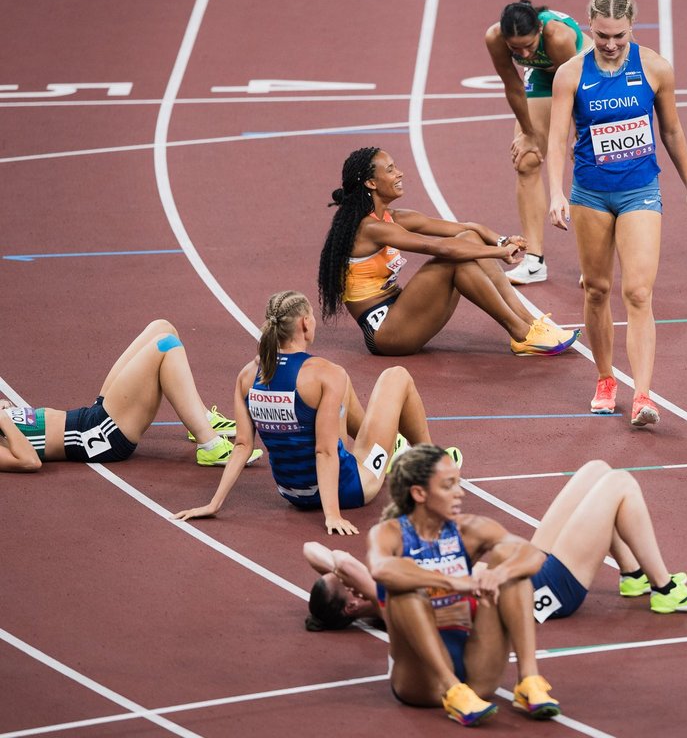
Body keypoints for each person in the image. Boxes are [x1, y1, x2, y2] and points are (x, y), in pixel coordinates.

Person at [303, 459, 687, 632]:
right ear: (352, 606)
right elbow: (341, 560)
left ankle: (633, 575)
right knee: (619, 484)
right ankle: (665, 590)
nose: (352, 578)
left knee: (596, 470)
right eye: (348, 587)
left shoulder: (374, 590)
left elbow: (315, 551)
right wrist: (344, 576)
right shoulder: (386, 605)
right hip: (542, 591)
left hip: (524, 569)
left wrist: (333, 579)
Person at [545, 0, 687, 426]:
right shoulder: (570, 74)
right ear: (589, 27)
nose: (612, 44)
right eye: (602, 36)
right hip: (590, 193)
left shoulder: (654, 67)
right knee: (596, 289)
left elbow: (671, 130)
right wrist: (555, 192)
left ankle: (643, 395)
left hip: (640, 191)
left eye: (619, 35)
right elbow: (556, 139)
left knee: (637, 292)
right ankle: (605, 379)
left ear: (632, 26)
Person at [172, 291, 455, 536]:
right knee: (396, 376)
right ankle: (432, 465)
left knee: (339, 387)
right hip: (350, 489)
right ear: (305, 323)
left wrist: (214, 504)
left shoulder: (248, 375)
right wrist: (332, 515)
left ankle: (388, 446)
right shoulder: (324, 373)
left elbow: (243, 446)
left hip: (294, 494)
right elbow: (325, 451)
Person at [316, 147, 579, 357]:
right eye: (391, 170)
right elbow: (437, 247)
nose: (400, 173)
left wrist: (501, 241)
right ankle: (521, 333)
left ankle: (530, 323)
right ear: (371, 183)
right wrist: (497, 253)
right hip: (386, 333)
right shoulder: (371, 228)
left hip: (400, 310)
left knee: (467, 240)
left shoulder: (393, 216)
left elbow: (466, 228)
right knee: (454, 260)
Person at [367, 444, 557, 727]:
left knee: (514, 570)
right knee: (405, 589)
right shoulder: (389, 532)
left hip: (476, 670)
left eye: (458, 483)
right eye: (449, 485)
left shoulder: (468, 529)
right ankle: (452, 689)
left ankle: (529, 680)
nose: (460, 493)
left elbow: (533, 554)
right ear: (419, 493)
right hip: (420, 681)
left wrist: (500, 574)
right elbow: (381, 569)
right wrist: (454, 582)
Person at [0, 320, 255, 472]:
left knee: (162, 327)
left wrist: (7, 411)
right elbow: (29, 461)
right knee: (166, 345)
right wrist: (3, 420)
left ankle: (202, 419)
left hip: (92, 417)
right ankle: (209, 446)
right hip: (101, 436)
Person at [484, 0, 590, 285]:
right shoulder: (494, 37)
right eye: (515, 49)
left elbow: (575, 88)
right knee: (527, 160)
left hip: (583, 73)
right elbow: (513, 86)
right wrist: (529, 134)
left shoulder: (558, 36)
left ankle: (593, 263)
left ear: (540, 30)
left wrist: (580, 134)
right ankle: (534, 262)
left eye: (529, 45)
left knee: (587, 159)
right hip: (543, 75)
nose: (524, 53)